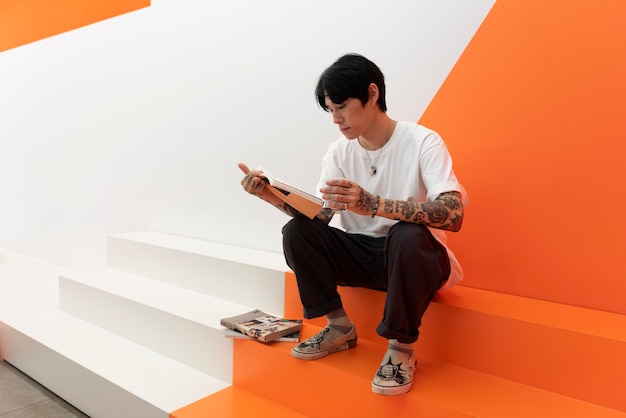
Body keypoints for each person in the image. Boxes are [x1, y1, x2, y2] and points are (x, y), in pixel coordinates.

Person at [238, 53, 467, 396]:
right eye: (331, 110)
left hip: (414, 259)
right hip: (363, 255)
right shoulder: (338, 153)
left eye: (341, 107)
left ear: (372, 95)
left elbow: (453, 213)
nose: (336, 119)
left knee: (406, 234)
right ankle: (338, 327)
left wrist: (373, 204)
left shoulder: (423, 141)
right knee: (298, 232)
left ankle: (400, 350)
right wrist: (272, 197)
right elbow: (323, 218)